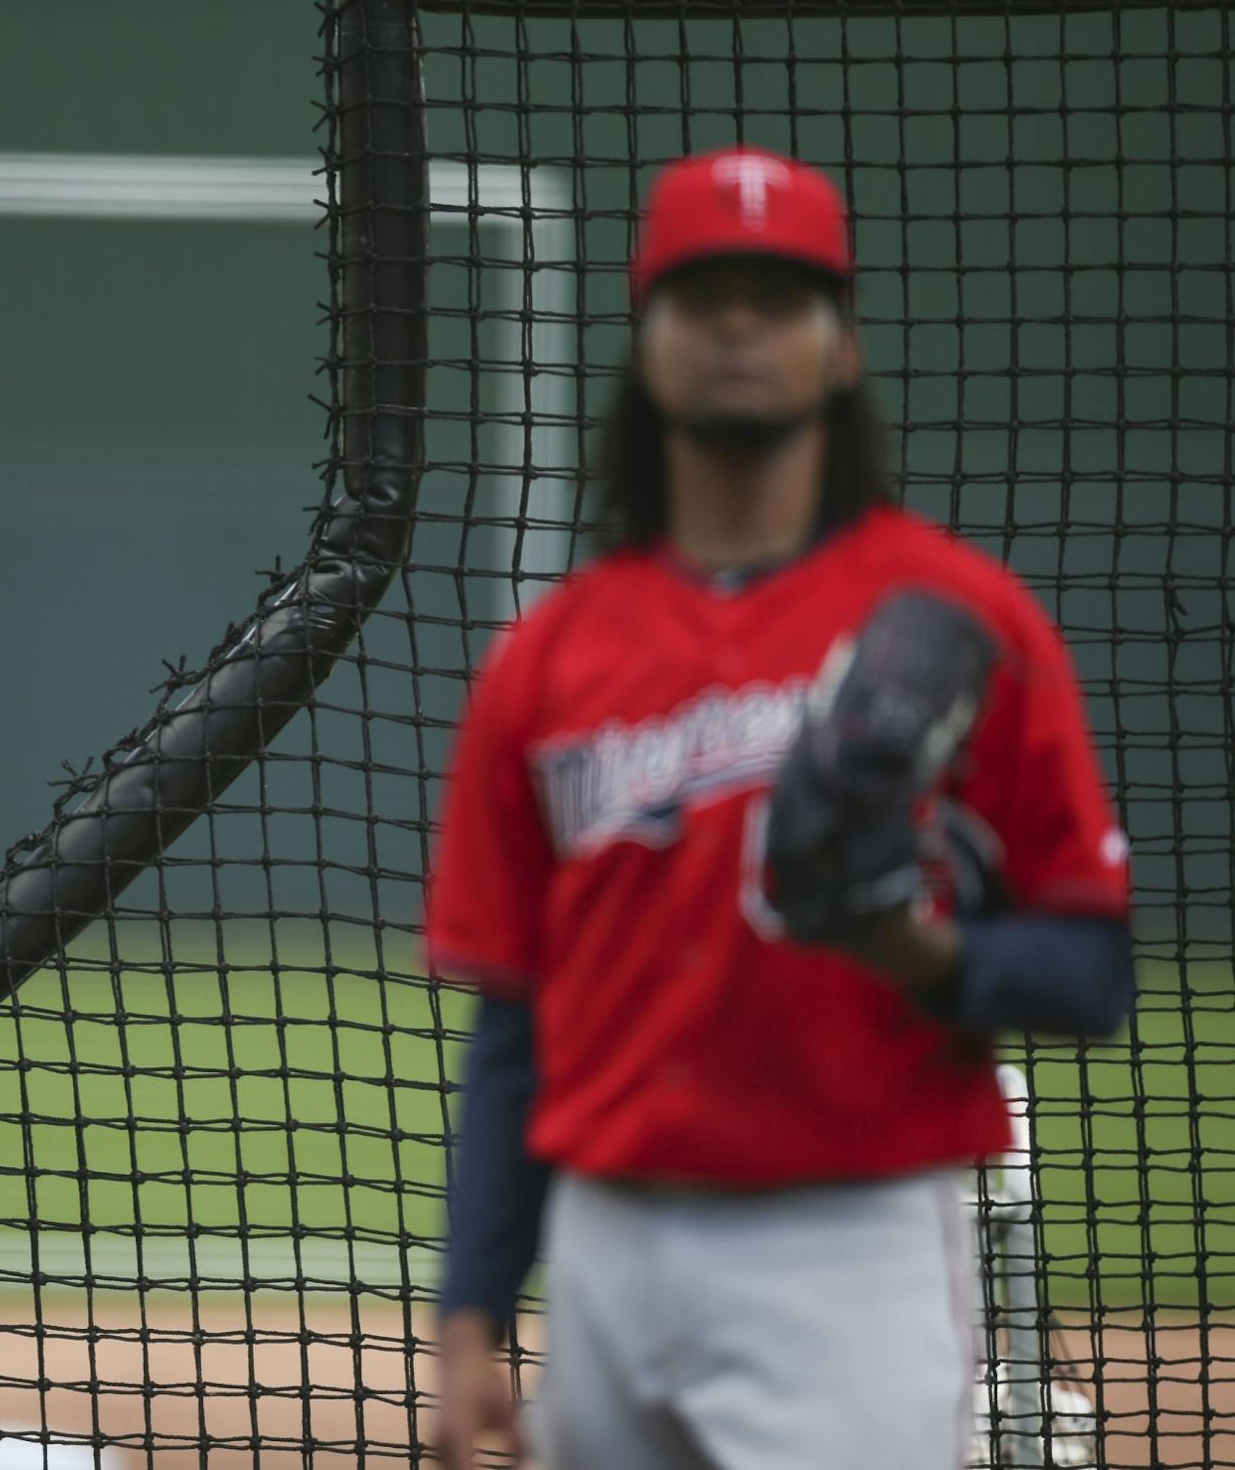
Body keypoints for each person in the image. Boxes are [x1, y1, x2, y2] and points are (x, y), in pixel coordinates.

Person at [424, 147, 1136, 1470]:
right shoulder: (548, 660)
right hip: (606, 1249)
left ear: (840, 347)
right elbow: (515, 1023)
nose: (740, 324)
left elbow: (1092, 972)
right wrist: (471, 1317)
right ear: (647, 344)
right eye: (704, 295)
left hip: (848, 1246)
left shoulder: (965, 626)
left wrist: (918, 951)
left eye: (781, 293)